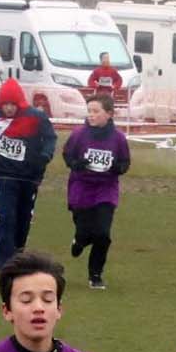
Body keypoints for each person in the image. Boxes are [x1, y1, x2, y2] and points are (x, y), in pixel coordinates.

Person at [0, 78, 58, 271]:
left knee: (23, 219)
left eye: (12, 104)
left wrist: (44, 156)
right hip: (4, 176)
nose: (9, 108)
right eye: (5, 104)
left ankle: (18, 257)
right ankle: (3, 264)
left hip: (29, 177)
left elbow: (50, 138)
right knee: (6, 216)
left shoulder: (37, 118)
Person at [62, 93, 131, 291]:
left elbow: (125, 162)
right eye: (89, 111)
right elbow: (67, 155)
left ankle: (95, 274)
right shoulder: (79, 134)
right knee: (84, 230)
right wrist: (77, 163)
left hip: (106, 189)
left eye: (96, 111)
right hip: (81, 187)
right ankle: (80, 239)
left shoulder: (118, 138)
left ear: (109, 114)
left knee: (102, 234)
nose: (91, 115)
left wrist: (118, 168)